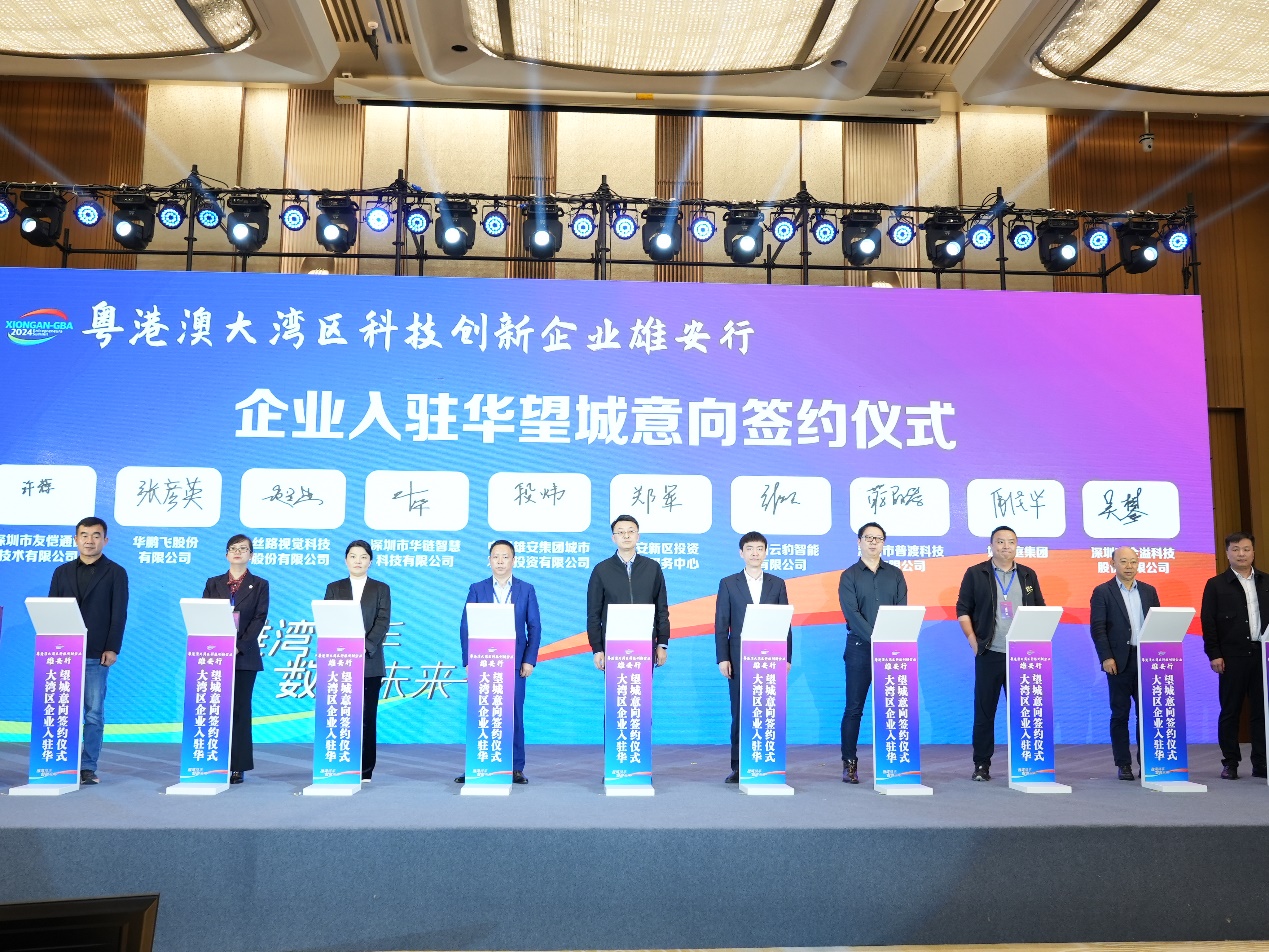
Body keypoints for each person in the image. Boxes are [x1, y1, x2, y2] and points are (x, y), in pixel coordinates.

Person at [956, 525, 1045, 781]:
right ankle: (981, 764)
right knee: (985, 712)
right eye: (1000, 542)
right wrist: (974, 642)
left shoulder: (1027, 575)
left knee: (1025, 711)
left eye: (1011, 542)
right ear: (991, 545)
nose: (1006, 546)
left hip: (1022, 656)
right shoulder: (976, 573)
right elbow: (963, 609)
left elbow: (1040, 609)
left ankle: (1028, 761)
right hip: (990, 653)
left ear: (1017, 546)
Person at [47, 516, 128, 786]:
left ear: (105, 540)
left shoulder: (115, 572)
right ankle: (62, 761)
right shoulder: (62, 572)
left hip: (96, 652)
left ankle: (87, 767)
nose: (89, 540)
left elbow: (119, 613)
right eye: (84, 535)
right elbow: (52, 609)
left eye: (96, 535)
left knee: (93, 713)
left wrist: (112, 647)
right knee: (62, 709)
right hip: (63, 652)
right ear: (76, 539)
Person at [455, 540, 542, 785]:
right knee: (482, 712)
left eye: (505, 557)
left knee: (514, 715)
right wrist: (468, 660)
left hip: (515, 662)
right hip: (483, 661)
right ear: (489, 561)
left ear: (514, 560)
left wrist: (529, 659)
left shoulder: (526, 589)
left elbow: (534, 627)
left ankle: (515, 768)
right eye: (496, 557)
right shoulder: (477, 589)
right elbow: (466, 626)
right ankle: (478, 764)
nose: (500, 561)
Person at [714, 531, 792, 783]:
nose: (755, 553)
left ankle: (767, 760)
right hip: (738, 656)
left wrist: (787, 657)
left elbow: (785, 623)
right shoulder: (728, 583)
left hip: (771, 657)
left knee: (768, 709)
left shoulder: (777, 584)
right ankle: (738, 766)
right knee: (740, 712)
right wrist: (723, 657)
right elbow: (721, 623)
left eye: (759, 548)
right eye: (750, 549)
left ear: (766, 552)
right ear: (741, 553)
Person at [837, 522, 907, 784]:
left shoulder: (896, 574)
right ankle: (849, 763)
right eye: (868, 538)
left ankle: (893, 760)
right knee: (854, 708)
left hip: (892, 650)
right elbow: (852, 614)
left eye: (878, 538)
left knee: (893, 707)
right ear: (859, 542)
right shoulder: (849, 576)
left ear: (884, 543)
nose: (873, 542)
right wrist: (876, 638)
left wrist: (888, 640)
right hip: (860, 649)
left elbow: (901, 609)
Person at [1200, 532, 1269, 780]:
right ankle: (1230, 762)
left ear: (1253, 552)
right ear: (1227, 553)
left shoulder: (1266, 581)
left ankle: (1262, 763)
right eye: (1236, 549)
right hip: (1231, 657)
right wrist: (1214, 654)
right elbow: (1208, 622)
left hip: (1263, 656)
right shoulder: (1216, 584)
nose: (1242, 554)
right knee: (1230, 711)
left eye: (1246, 549)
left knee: (1262, 712)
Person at [202, 533, 269, 784]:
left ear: (251, 555)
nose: (238, 552)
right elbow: (205, 614)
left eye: (243, 548)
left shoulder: (259, 584)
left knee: (240, 709)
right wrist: (218, 646)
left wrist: (239, 646)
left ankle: (237, 766)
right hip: (215, 655)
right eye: (233, 548)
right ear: (226, 554)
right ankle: (213, 760)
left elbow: (259, 619)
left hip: (244, 657)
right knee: (215, 709)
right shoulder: (213, 583)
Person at [323, 540, 391, 782]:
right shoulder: (334, 588)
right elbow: (328, 619)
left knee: (366, 718)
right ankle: (340, 762)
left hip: (369, 662)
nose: (358, 561)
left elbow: (383, 621)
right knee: (342, 715)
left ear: (370, 561)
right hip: (339, 662)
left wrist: (365, 645)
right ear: (346, 560)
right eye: (353, 556)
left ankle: (365, 769)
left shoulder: (380, 588)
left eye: (363, 557)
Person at [1089, 546, 1159, 780]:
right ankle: (1124, 764)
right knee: (1120, 714)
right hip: (1118, 662)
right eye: (1124, 562)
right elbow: (1098, 628)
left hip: (1146, 660)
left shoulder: (1149, 591)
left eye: (1133, 562)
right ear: (1113, 564)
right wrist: (1106, 657)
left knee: (1146, 714)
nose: (1129, 566)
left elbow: (1157, 623)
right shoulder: (1103, 591)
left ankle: (1147, 762)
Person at [586, 514, 670, 670]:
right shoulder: (601, 570)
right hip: (613, 645)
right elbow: (593, 614)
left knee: (640, 685)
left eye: (631, 531)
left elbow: (661, 609)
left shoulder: (652, 568)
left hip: (645, 642)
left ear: (638, 536)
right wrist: (597, 648)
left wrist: (662, 643)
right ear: (613, 538)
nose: (626, 536)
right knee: (618, 685)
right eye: (621, 532)